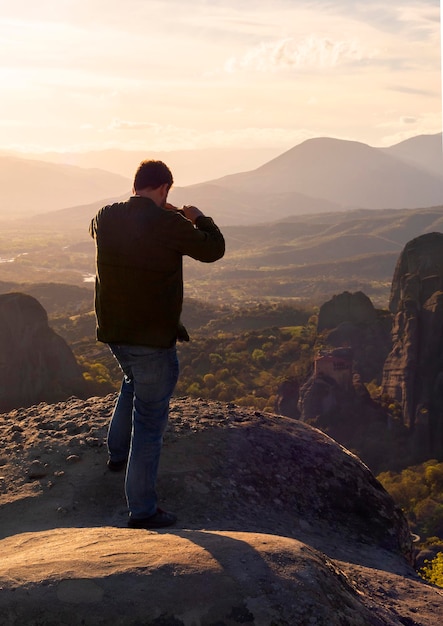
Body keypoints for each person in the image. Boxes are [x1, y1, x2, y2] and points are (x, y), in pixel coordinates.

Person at [89, 160, 225, 529]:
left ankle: (116, 455)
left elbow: (107, 228)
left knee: (132, 382)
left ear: (135, 185)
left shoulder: (106, 215)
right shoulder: (170, 224)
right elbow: (214, 249)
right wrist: (198, 217)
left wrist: (155, 211)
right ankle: (143, 510)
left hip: (114, 333)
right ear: (165, 188)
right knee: (149, 424)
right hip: (151, 339)